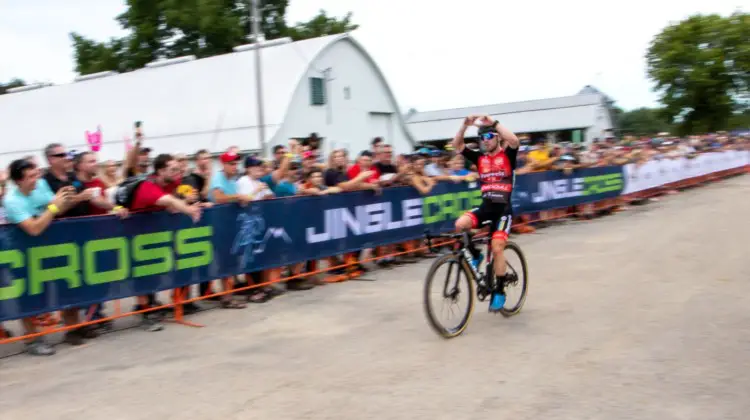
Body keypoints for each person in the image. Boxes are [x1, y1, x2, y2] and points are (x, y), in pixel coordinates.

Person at [452, 114, 520, 312]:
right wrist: (464, 126)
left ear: (497, 137)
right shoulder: (480, 158)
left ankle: (499, 290)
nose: (485, 140)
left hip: (503, 209)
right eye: (482, 138)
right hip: (486, 206)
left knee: (497, 246)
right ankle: (475, 254)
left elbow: (514, 140)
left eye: (489, 136)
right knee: (459, 225)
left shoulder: (507, 155)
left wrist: (494, 124)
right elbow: (457, 146)